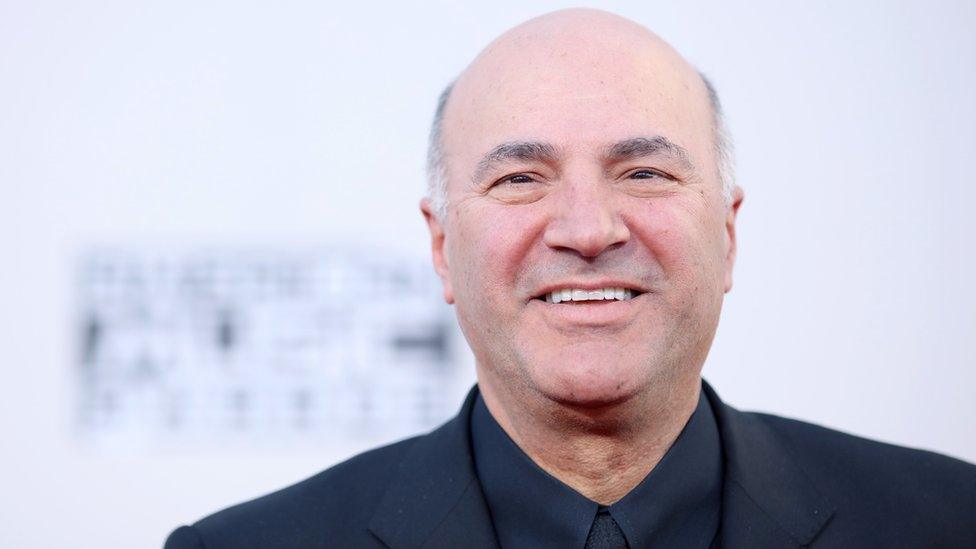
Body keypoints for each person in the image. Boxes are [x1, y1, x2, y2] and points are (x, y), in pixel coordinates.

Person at [165, 9, 976, 548]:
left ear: (728, 234)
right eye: (520, 179)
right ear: (443, 247)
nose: (588, 230)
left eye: (645, 173)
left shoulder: (947, 521)